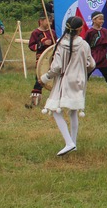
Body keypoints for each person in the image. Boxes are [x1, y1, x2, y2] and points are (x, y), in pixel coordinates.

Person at [40, 16, 96, 156]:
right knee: (73, 112)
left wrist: (45, 77)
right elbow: (92, 64)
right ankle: (73, 143)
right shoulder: (84, 45)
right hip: (79, 81)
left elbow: (57, 67)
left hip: (65, 79)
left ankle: (69, 143)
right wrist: (83, 71)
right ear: (79, 29)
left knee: (55, 110)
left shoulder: (61, 43)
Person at [26, 13, 57, 109]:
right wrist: (42, 44)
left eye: (51, 21)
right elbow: (32, 46)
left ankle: (56, 100)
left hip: (52, 59)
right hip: (41, 59)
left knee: (54, 78)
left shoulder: (52, 32)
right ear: (41, 21)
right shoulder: (36, 33)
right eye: (48, 21)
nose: (50, 23)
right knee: (40, 78)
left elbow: (56, 45)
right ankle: (34, 100)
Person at [84, 11, 107, 98]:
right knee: (85, 76)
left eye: (103, 19)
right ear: (94, 20)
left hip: (104, 56)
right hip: (93, 55)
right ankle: (79, 94)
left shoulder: (105, 31)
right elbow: (85, 44)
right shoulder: (90, 32)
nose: (102, 21)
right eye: (100, 19)